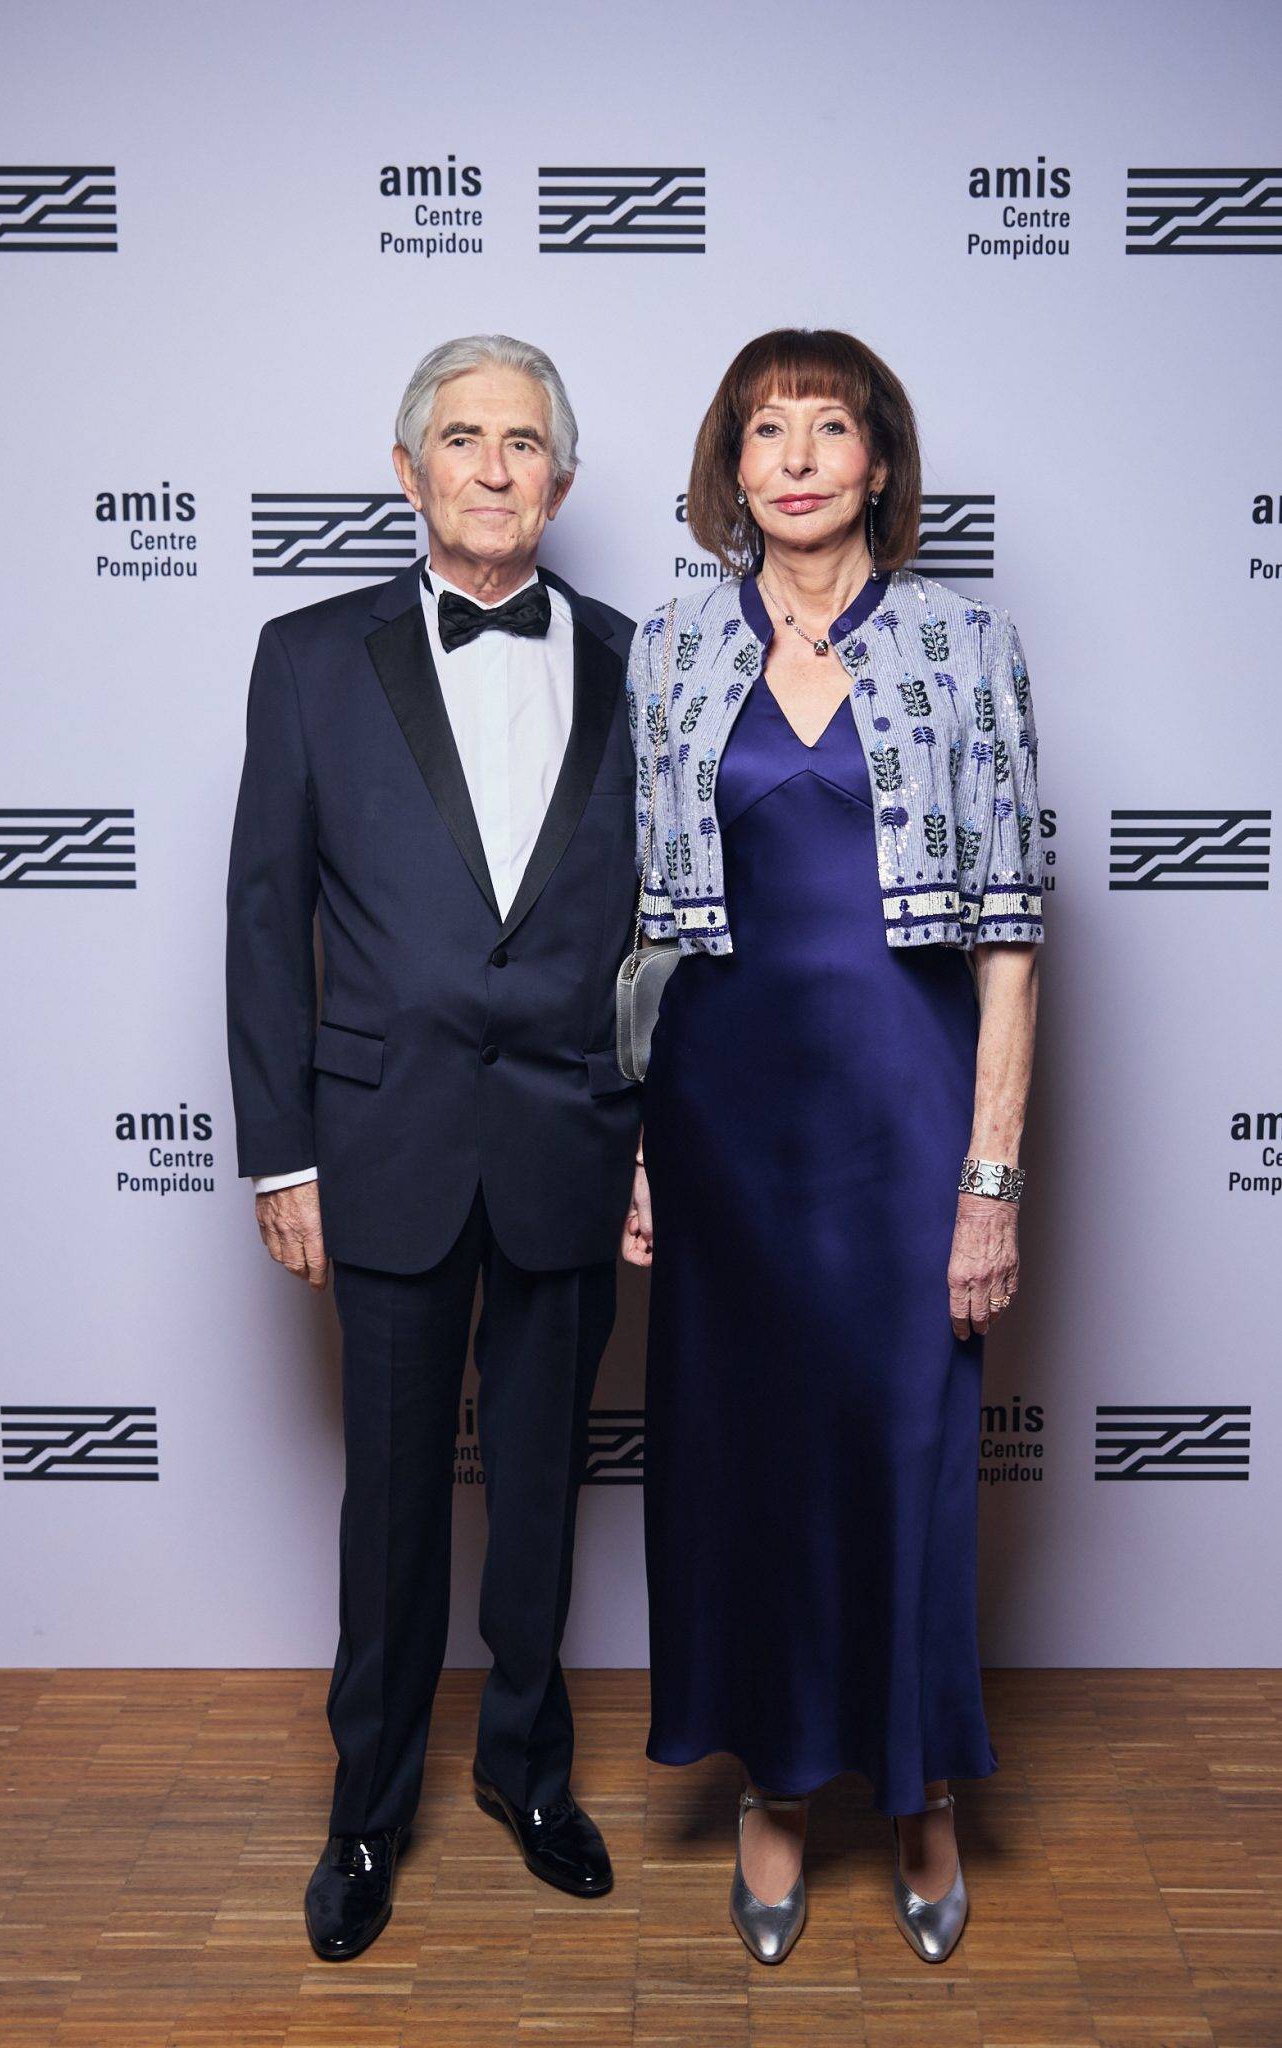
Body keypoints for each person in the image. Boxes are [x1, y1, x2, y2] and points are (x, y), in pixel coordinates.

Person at [621, 328, 1044, 1967]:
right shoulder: (667, 648)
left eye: (829, 427)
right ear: (729, 468)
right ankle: (775, 1791)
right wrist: (648, 1152)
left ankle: (919, 1785)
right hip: (721, 1114)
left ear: (879, 459)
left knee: (909, 1452)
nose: (794, 457)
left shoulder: (962, 640)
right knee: (742, 1460)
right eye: (762, 430)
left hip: (902, 1110)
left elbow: (1008, 937)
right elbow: (649, 935)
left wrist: (988, 1177)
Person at [225, 334, 641, 1961]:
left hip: (569, 1141)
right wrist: (281, 1156)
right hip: (381, 1142)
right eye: (459, 437)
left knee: (537, 1494)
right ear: (408, 472)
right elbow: (266, 919)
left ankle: (531, 1777)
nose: (490, 464)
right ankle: (365, 1813)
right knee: (390, 1508)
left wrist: (657, 1144)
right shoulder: (308, 655)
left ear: (561, 478)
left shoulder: (632, 658)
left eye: (521, 440)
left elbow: (672, 939)